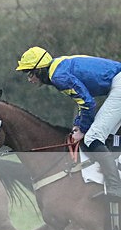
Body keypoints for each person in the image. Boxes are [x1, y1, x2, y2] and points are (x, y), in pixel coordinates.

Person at [16, 47, 121, 200]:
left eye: (30, 73)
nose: (29, 79)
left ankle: (115, 187)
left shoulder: (58, 77)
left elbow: (88, 103)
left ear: (39, 70)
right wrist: (78, 124)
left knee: (92, 137)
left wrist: (83, 130)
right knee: (109, 135)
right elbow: (83, 101)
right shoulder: (57, 66)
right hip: (117, 83)